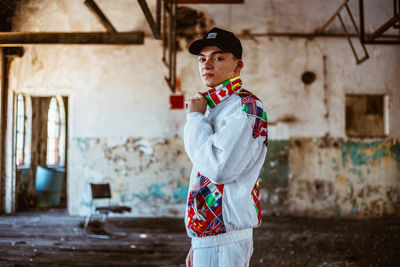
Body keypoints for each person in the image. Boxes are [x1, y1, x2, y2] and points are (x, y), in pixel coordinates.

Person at [183, 27, 268, 267]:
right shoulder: (215, 107)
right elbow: (204, 176)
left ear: (238, 66)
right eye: (202, 59)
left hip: (225, 238)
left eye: (218, 58)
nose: (206, 65)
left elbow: (219, 169)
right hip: (210, 237)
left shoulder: (246, 107)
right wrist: (198, 240)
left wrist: (195, 120)